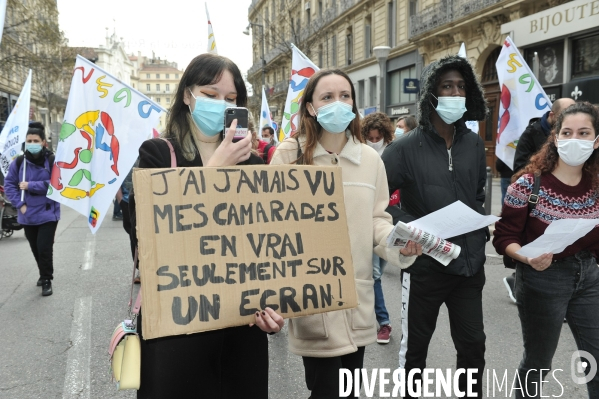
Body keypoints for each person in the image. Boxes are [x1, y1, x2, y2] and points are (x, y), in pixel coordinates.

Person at [129, 53, 284, 399]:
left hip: (240, 332)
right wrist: (215, 168)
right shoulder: (157, 154)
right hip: (176, 330)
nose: (221, 104)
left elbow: (268, 249)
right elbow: (147, 232)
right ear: (187, 95)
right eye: (211, 94)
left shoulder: (255, 165)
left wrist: (276, 308)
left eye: (231, 99)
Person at [270, 69, 421, 399]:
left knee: (347, 388)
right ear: (310, 107)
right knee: (327, 389)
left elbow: (378, 221)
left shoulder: (370, 159)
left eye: (345, 96)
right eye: (327, 97)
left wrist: (401, 245)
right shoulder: (288, 155)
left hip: (357, 298)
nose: (337, 103)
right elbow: (271, 226)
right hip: (313, 298)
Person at [382, 54, 489, 398]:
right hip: (425, 267)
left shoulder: (473, 143)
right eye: (447, 86)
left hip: (469, 268)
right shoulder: (402, 149)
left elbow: (478, 194)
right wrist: (411, 231)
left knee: (473, 349)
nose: (456, 93)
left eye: (461, 86)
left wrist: (480, 226)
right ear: (431, 92)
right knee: (414, 354)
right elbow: (379, 203)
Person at [493, 102, 599, 398]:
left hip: (589, 278)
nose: (574, 139)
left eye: (583, 132)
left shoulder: (597, 186)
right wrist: (525, 256)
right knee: (539, 363)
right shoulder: (528, 185)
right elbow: (504, 237)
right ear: (555, 137)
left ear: (596, 140)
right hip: (542, 279)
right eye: (567, 132)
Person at [4, 122, 60, 296]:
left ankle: (46, 279)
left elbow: (56, 184)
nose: (32, 143)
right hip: (27, 214)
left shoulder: (51, 160)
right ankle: (42, 271)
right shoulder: (19, 162)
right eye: (29, 140)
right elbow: (9, 185)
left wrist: (31, 185)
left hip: (48, 212)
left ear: (43, 142)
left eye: (36, 140)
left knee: (44, 247)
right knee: (35, 247)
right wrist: (19, 205)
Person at [361, 112, 395, 344]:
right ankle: (384, 323)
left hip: (391, 219)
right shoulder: (361, 156)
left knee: (378, 271)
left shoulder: (394, 154)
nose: (374, 141)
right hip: (367, 221)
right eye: (370, 137)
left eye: (377, 137)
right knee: (373, 275)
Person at [513, 97, 575, 174]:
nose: (569, 121)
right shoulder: (531, 133)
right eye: (563, 117)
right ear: (552, 115)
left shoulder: (573, 132)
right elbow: (519, 168)